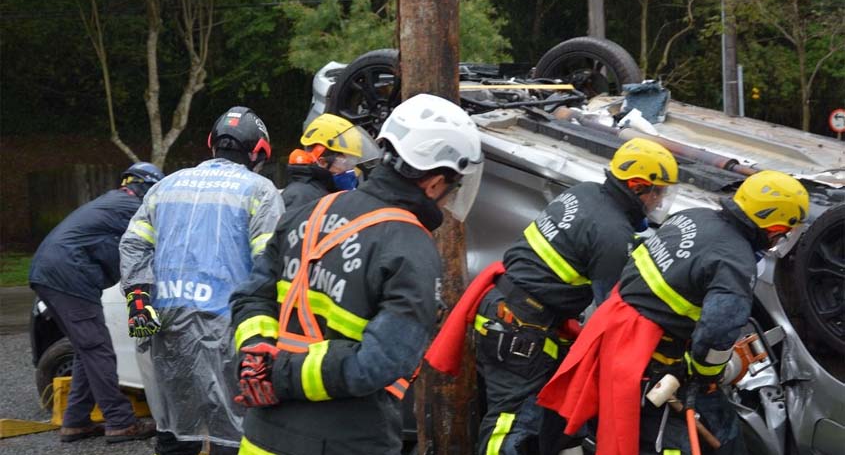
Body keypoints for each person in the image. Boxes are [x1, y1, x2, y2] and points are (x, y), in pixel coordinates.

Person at [228, 93, 484, 455]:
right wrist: (280, 374)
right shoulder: (410, 246)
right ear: (434, 182)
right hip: (347, 439)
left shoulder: (309, 212)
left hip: (262, 435)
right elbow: (377, 364)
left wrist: (257, 356)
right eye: (453, 186)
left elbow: (251, 297)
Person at [425, 138, 679, 454]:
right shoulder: (614, 234)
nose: (659, 201)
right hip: (521, 329)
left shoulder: (585, 192)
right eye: (659, 192)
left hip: (503, 310)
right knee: (512, 424)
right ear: (639, 187)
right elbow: (612, 310)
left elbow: (581, 244)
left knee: (530, 419)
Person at [536, 170, 809, 455]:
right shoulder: (736, 262)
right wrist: (706, 375)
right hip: (651, 364)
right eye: (785, 231)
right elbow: (718, 331)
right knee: (724, 435)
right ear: (775, 226)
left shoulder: (691, 217)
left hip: (614, 338)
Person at [119, 107, 284, 455]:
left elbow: (134, 243)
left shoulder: (166, 186)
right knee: (236, 430)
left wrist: (138, 299)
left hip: (167, 320)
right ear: (258, 152)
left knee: (178, 427)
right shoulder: (260, 190)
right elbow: (270, 261)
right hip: (229, 323)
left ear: (212, 144)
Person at [29, 162, 163, 444]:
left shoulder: (114, 202)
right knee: (99, 350)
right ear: (148, 188)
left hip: (53, 273)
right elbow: (161, 239)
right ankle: (120, 422)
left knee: (87, 350)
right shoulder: (132, 207)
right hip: (68, 276)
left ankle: (75, 422)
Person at [283, 113, 380, 210]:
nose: (353, 169)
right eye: (347, 162)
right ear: (322, 162)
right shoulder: (301, 198)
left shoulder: (326, 192)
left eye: (354, 162)